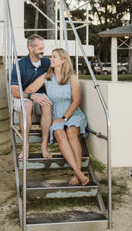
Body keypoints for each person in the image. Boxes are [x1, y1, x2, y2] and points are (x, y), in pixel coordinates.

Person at [24, 48, 89, 186]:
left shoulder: (72, 77)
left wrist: (65, 118)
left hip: (72, 113)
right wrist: (35, 96)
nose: (50, 59)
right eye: (51, 57)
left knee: (71, 132)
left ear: (63, 60)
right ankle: (79, 173)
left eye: (54, 57)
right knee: (59, 132)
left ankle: (76, 174)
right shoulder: (46, 77)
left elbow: (76, 100)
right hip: (56, 113)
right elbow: (28, 91)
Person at [11, 34, 52, 159]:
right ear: (30, 48)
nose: (43, 51)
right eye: (40, 48)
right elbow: (15, 92)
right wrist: (31, 96)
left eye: (43, 47)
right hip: (22, 96)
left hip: (39, 95)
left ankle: (44, 146)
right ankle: (25, 146)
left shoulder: (47, 62)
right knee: (27, 104)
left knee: (46, 104)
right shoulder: (19, 65)